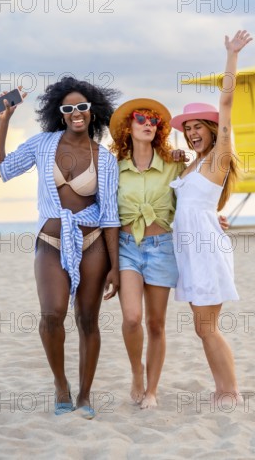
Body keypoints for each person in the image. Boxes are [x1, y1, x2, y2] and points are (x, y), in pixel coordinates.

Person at [0, 77, 121, 419]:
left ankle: (85, 394)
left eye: (82, 107)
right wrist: (4, 121)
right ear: (59, 114)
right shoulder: (43, 144)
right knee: (52, 314)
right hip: (50, 241)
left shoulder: (104, 159)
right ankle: (61, 385)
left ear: (93, 111)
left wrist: (116, 268)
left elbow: (109, 217)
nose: (76, 113)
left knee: (88, 319)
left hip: (93, 244)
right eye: (68, 108)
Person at [169, 30, 253, 404]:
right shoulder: (192, 166)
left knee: (207, 327)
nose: (191, 133)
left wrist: (231, 56)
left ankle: (229, 391)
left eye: (197, 126)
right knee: (202, 328)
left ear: (212, 129)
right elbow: (184, 207)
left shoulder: (218, 157)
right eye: (187, 129)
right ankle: (223, 388)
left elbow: (228, 102)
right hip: (189, 251)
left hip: (205, 252)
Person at [109, 98, 184, 409]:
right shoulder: (114, 170)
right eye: (141, 118)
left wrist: (215, 216)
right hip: (127, 248)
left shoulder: (174, 165)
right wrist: (111, 265)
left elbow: (194, 200)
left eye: (153, 121)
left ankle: (151, 390)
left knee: (155, 324)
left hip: (161, 248)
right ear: (129, 127)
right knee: (131, 318)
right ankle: (136, 372)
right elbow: (107, 218)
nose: (147, 124)